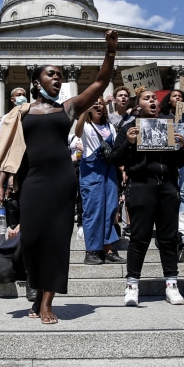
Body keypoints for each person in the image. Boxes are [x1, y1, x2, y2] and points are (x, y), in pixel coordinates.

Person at [0, 29, 118, 324]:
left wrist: (110, 51)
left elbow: (99, 83)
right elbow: (10, 151)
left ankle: (46, 301)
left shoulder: (68, 108)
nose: (58, 78)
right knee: (32, 238)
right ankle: (35, 291)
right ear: (37, 81)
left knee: (57, 241)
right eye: (51, 74)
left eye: (60, 74)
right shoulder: (20, 113)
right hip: (33, 181)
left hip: (62, 181)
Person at [110, 88, 184, 306]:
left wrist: (181, 147)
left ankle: (172, 285)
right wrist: (129, 143)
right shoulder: (129, 128)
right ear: (138, 104)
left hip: (168, 186)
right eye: (147, 98)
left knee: (168, 238)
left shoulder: (168, 125)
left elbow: (180, 162)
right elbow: (115, 158)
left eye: (154, 98)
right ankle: (132, 286)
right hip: (141, 185)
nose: (152, 101)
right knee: (139, 237)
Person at [74, 97, 125, 265]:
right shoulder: (87, 126)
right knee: (93, 209)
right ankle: (91, 250)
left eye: (100, 103)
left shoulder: (110, 126)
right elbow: (77, 132)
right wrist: (83, 111)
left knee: (110, 209)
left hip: (109, 171)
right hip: (92, 171)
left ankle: (107, 248)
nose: (97, 105)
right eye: (93, 103)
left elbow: (115, 150)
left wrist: (123, 170)